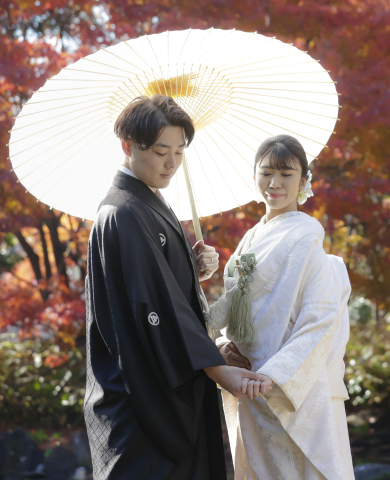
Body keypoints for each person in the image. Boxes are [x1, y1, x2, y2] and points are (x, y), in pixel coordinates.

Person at [84, 95, 265, 479]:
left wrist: (190, 268)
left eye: (180, 152)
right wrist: (218, 370)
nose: (172, 163)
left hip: (160, 383)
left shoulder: (147, 203)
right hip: (143, 394)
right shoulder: (123, 212)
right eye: (161, 151)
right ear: (128, 146)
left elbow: (155, 286)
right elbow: (155, 306)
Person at [209, 134, 354, 480]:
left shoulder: (306, 239)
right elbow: (236, 313)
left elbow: (320, 318)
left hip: (284, 384)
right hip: (249, 382)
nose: (275, 183)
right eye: (266, 173)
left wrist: (275, 375)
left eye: (286, 174)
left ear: (303, 181)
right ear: (255, 176)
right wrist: (223, 346)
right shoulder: (250, 238)